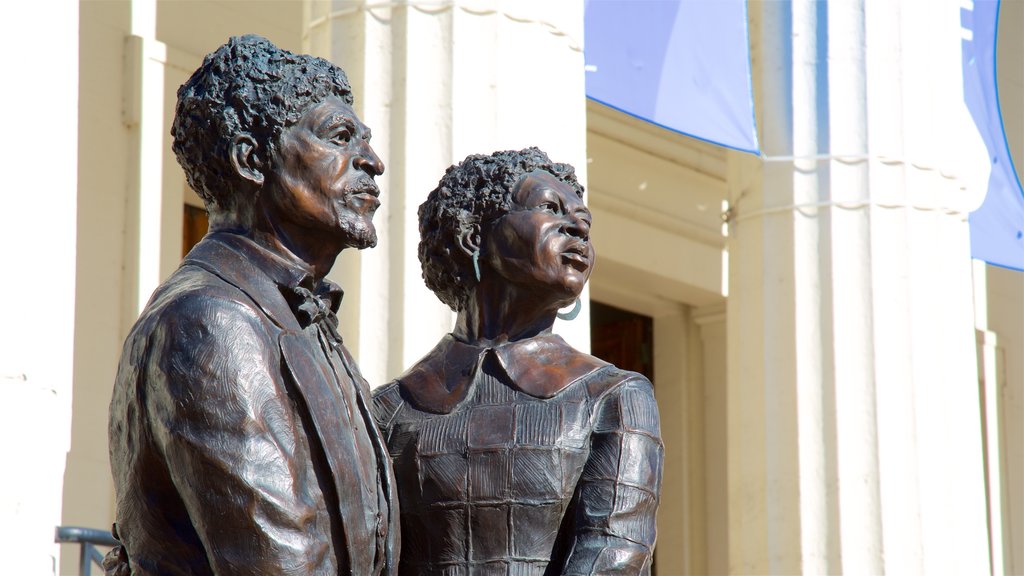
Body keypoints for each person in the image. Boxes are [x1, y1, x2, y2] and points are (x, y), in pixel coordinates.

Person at [106, 35, 398, 575]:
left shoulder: (289, 316)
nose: (373, 162)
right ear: (251, 160)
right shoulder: (213, 321)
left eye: (366, 141)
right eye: (340, 138)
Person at [372, 148, 663, 575]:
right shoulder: (388, 409)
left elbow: (613, 558)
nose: (578, 229)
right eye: (549, 208)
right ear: (473, 236)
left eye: (583, 221)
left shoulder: (612, 397)